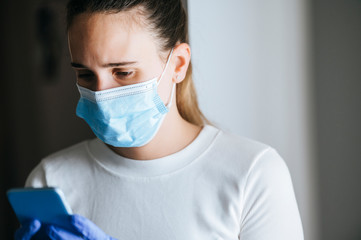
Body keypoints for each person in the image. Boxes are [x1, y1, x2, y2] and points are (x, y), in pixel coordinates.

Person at [15, 0, 304, 239]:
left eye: (123, 72)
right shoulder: (51, 182)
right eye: (86, 75)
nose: (101, 95)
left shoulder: (253, 175)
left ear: (178, 65)